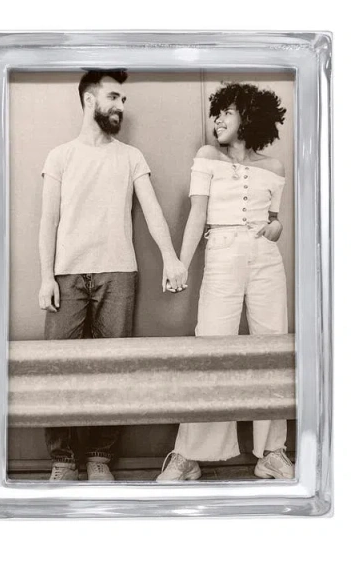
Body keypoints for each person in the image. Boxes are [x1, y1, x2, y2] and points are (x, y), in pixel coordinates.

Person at [39, 69, 187, 482]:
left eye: (123, 100)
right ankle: (63, 461)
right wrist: (45, 277)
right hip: (66, 275)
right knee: (57, 370)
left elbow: (152, 210)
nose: (121, 105)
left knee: (115, 367)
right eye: (114, 97)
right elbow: (48, 220)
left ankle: (100, 457)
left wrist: (171, 258)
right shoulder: (60, 156)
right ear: (90, 100)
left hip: (118, 273)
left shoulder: (130, 156)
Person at [157, 82, 295, 482]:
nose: (217, 120)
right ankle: (188, 455)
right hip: (221, 249)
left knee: (272, 346)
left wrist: (275, 228)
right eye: (215, 113)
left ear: (248, 117)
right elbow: (197, 214)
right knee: (212, 346)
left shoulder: (275, 167)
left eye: (226, 112)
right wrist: (181, 264)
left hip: (265, 258)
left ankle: (272, 452)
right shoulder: (207, 157)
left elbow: (274, 220)